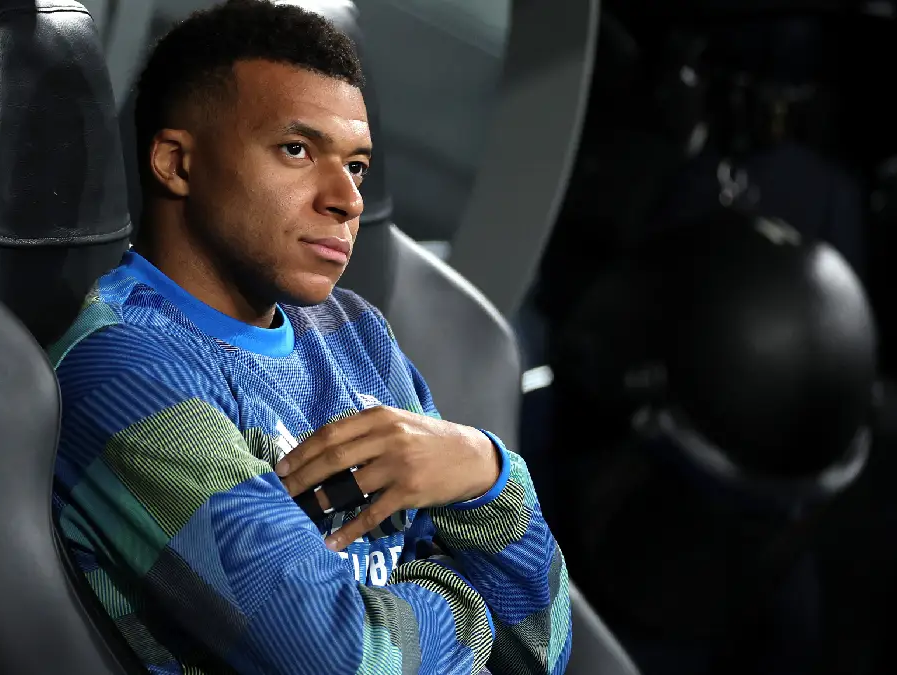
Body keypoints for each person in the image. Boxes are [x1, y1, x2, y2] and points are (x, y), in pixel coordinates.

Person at [50, 1, 571, 673]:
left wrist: (488, 473)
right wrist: (472, 603)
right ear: (176, 163)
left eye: (356, 166)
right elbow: (352, 659)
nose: (347, 199)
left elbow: (542, 647)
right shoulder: (125, 370)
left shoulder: (356, 333)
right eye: (297, 150)